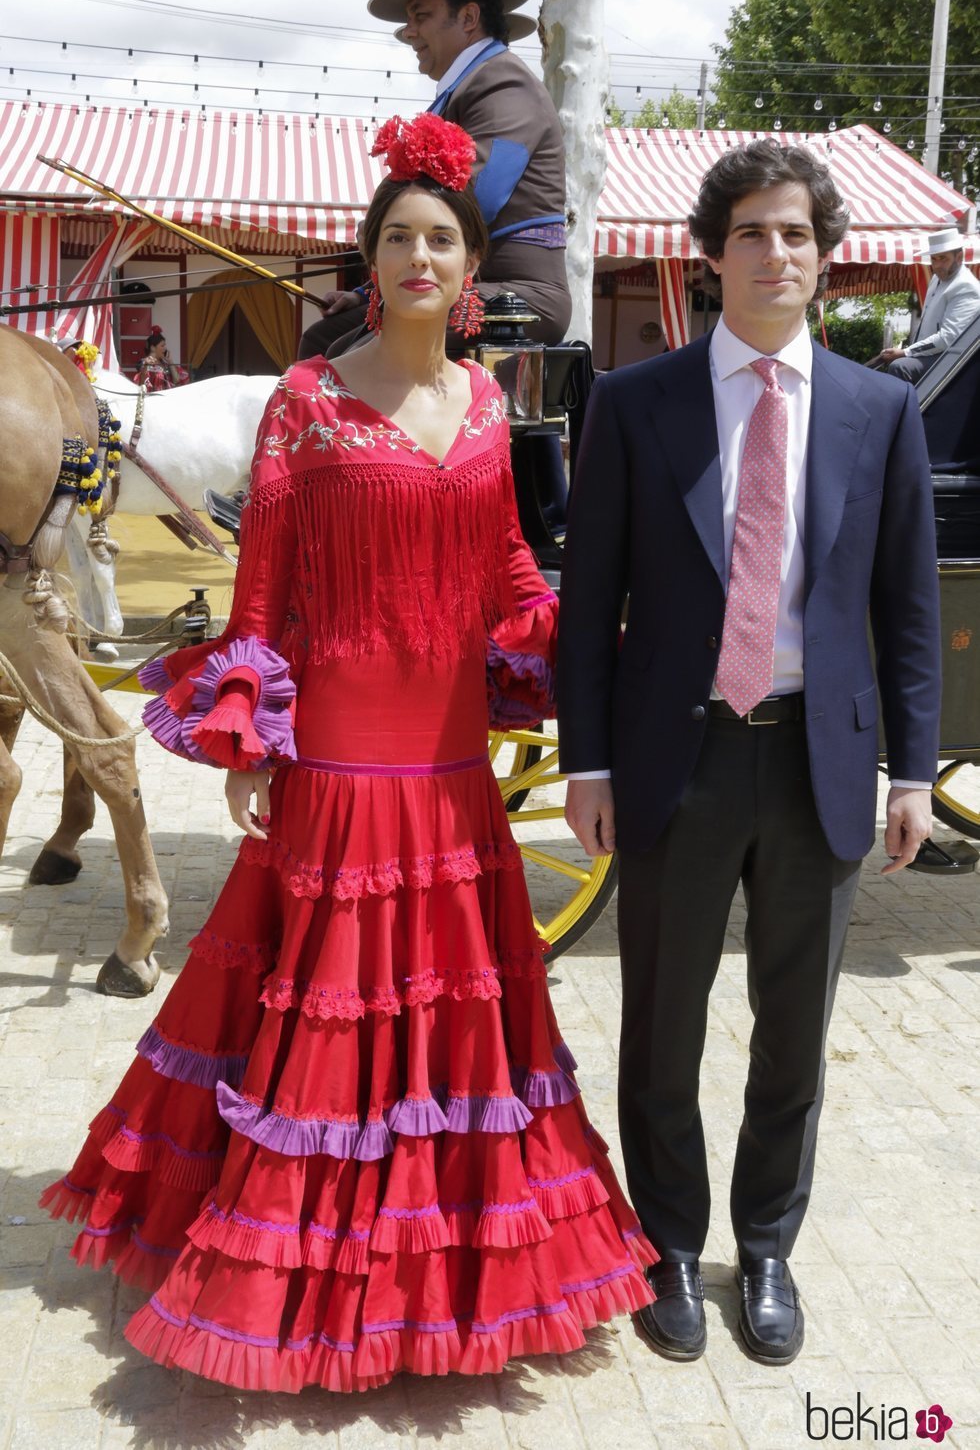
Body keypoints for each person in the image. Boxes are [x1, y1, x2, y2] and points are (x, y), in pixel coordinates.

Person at [41, 114, 654, 1393]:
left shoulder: (488, 401)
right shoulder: (305, 404)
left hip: (448, 773)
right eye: (396, 240)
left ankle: (436, 1279)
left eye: (439, 239)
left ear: (466, 268)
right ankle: (291, 1277)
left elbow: (499, 565)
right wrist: (249, 737)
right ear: (365, 266)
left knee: (451, 1030)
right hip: (335, 762)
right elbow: (261, 589)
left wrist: (566, 618)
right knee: (313, 1017)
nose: (417, 257)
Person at [557, 139, 941, 1367]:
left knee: (792, 1030)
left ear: (824, 259)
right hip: (677, 761)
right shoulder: (634, 403)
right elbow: (589, 600)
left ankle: (764, 1245)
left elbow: (906, 608)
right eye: (751, 234)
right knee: (662, 1022)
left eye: (796, 235)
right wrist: (587, 762)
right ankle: (667, 1243)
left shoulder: (879, 412)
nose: (775, 254)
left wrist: (910, 771)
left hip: (819, 765)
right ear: (709, 256)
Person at [299, 0, 570, 358]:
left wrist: (382, 232)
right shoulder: (469, 85)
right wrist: (366, 293)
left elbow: (480, 193)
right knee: (324, 338)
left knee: (345, 353)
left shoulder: (504, 82)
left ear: (469, 17)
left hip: (519, 293)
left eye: (421, 16)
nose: (409, 32)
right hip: (465, 283)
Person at [881, 226, 980, 383]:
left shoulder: (966, 286)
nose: (937, 265)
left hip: (949, 359)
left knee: (899, 367)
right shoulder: (936, 279)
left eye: (943, 258)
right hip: (931, 355)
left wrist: (905, 352)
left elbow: (948, 338)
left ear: (959, 257)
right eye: (934, 259)